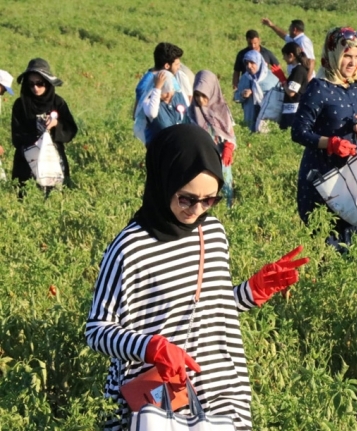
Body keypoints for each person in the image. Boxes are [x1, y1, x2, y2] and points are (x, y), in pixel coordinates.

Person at [85, 124, 309, 431]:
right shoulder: (129, 247)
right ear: (164, 182)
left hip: (220, 390)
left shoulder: (213, 234)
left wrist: (249, 292)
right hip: (155, 398)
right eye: (187, 199)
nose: (197, 210)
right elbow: (97, 330)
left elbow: (206, 306)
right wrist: (151, 347)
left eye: (210, 200)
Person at [291, 27, 357, 251]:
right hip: (322, 178)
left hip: (354, 176)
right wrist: (330, 143)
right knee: (328, 245)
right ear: (333, 54)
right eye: (347, 55)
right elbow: (299, 131)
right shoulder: (318, 88)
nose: (352, 62)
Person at [11, 58, 77, 192]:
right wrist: (35, 137)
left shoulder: (58, 103)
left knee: (55, 194)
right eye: (31, 84)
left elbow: (70, 130)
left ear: (47, 83)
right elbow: (16, 136)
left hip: (53, 158)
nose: (35, 87)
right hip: (26, 162)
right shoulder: (21, 104)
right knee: (26, 195)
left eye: (39, 83)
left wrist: (56, 124)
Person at [188, 70, 237, 207]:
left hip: (220, 157)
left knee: (223, 185)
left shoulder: (222, 110)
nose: (200, 99)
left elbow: (230, 135)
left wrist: (229, 148)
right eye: (197, 95)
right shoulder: (191, 112)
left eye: (204, 95)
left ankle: (226, 210)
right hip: (198, 157)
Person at [133, 42, 191, 119]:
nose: (179, 67)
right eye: (176, 64)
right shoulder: (162, 79)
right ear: (167, 66)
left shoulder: (146, 77)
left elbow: (135, 113)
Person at [138, 70, 189, 145]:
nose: (169, 95)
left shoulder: (180, 95)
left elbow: (189, 116)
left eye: (171, 91)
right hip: (159, 147)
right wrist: (157, 88)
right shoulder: (149, 100)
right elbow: (152, 113)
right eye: (165, 92)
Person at [234, 50, 279, 132]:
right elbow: (236, 96)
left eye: (252, 62)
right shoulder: (245, 78)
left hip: (268, 118)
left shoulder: (272, 77)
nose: (249, 66)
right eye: (246, 63)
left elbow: (280, 97)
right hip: (250, 119)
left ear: (259, 62)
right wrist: (242, 95)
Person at [279, 42, 309, 130]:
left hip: (293, 111)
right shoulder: (298, 70)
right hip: (292, 110)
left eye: (284, 55)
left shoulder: (298, 70)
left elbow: (291, 92)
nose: (283, 58)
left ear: (291, 55)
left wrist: (284, 83)